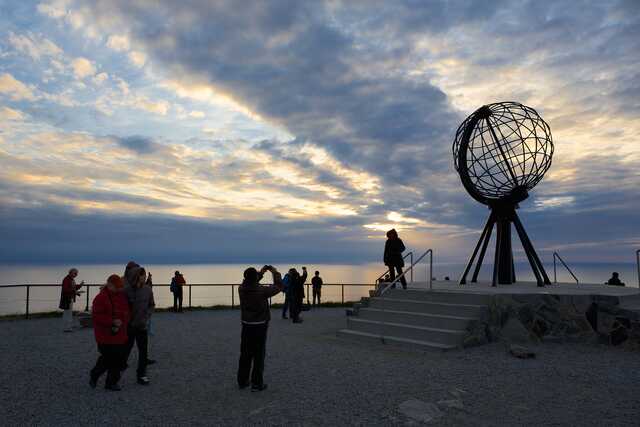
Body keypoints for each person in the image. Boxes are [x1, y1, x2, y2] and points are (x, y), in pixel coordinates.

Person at [237, 265, 283, 392]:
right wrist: (275, 272)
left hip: (246, 324)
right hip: (260, 325)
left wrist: (260, 273)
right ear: (255, 278)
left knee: (245, 354)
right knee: (258, 354)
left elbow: (251, 281)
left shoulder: (241, 288)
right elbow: (279, 286)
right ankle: (257, 384)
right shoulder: (262, 291)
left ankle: (242, 381)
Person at [90, 274, 129, 391]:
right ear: (110, 285)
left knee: (118, 359)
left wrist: (123, 321)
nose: (119, 289)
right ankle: (95, 374)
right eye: (117, 287)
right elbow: (96, 316)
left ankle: (111, 383)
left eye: (120, 287)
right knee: (108, 358)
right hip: (105, 335)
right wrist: (112, 322)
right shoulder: (101, 298)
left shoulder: (121, 296)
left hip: (119, 333)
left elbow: (127, 312)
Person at [124, 266, 155, 385]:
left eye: (145, 274)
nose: (144, 277)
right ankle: (117, 372)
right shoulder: (126, 291)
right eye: (142, 275)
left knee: (143, 351)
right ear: (136, 276)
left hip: (142, 325)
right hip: (129, 326)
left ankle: (141, 375)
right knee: (125, 350)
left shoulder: (148, 290)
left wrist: (147, 316)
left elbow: (151, 305)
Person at [59, 268, 84, 332]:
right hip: (67, 298)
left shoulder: (70, 279)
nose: (76, 274)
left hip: (69, 298)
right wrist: (75, 292)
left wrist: (80, 286)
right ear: (70, 273)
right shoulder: (67, 280)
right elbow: (66, 290)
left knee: (67, 313)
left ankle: (67, 327)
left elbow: (74, 288)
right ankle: (67, 327)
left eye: (76, 273)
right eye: (75, 273)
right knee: (68, 313)